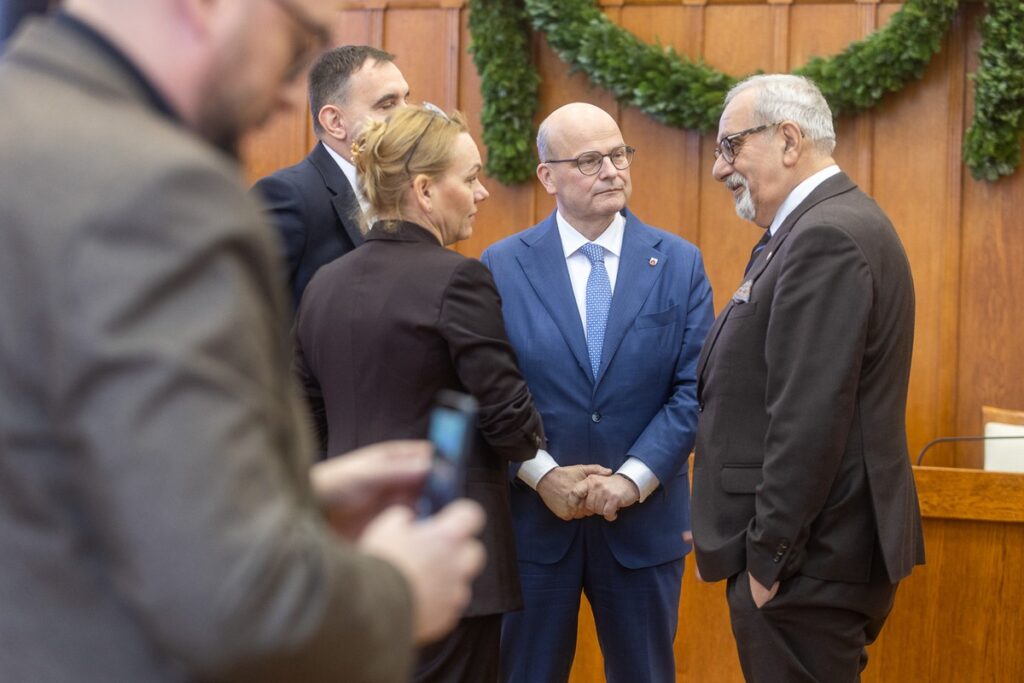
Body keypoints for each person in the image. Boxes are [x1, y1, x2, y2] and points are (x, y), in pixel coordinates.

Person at [0, 2, 486, 681]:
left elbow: (52, 483)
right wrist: (400, 592)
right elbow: (232, 601)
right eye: (297, 45)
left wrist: (293, 500)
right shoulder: (157, 190)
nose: (291, 92)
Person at [293, 104, 547, 683]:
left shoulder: (323, 285)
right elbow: (512, 426)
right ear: (426, 190)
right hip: (443, 555)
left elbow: (303, 418)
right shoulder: (458, 278)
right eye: (470, 178)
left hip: (352, 551)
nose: (481, 193)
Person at [691, 74, 924, 682]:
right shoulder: (810, 227)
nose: (720, 169)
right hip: (809, 560)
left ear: (788, 139)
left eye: (730, 147)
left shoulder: (824, 235)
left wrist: (768, 563)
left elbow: (807, 418)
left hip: (804, 566)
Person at [482, 102, 715, 682]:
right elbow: (487, 390)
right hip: (534, 527)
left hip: (643, 529)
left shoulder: (680, 263)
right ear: (548, 177)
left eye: (618, 154)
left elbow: (693, 391)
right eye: (589, 160)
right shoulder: (502, 265)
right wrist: (542, 474)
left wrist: (630, 480)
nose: (612, 170)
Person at [253, 45, 410, 312]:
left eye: (407, 99)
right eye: (388, 104)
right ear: (335, 122)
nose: (409, 115)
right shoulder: (288, 195)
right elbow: (250, 315)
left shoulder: (407, 190)